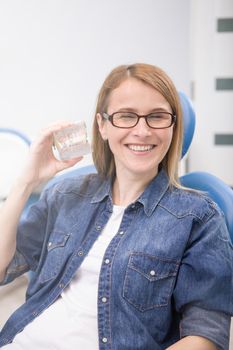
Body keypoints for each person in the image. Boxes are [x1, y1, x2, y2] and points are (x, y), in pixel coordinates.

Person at [0, 63, 232, 350]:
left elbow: (206, 336)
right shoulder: (64, 194)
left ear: (173, 126)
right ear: (103, 125)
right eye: (126, 116)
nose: (142, 131)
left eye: (157, 117)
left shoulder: (199, 216)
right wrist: (25, 181)